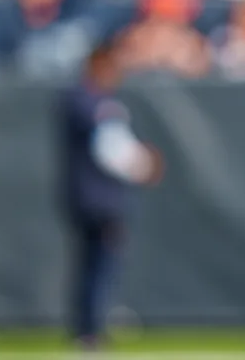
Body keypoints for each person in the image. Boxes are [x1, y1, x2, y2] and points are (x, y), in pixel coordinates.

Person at [60, 40, 162, 350]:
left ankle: (87, 326)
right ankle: (90, 329)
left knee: (92, 264)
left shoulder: (83, 100)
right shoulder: (94, 102)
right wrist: (142, 165)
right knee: (100, 265)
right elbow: (110, 147)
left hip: (85, 196)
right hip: (99, 199)